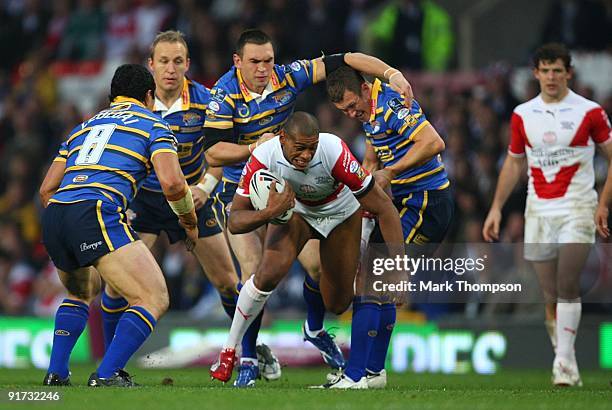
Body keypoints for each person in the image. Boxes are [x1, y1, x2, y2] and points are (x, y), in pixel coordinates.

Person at [203, 28, 413, 386]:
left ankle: (314, 328)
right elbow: (213, 152)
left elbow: (344, 60)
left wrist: (390, 73)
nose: (263, 68)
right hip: (248, 186)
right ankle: (246, 358)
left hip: (297, 190)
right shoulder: (223, 95)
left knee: (322, 275)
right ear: (238, 61)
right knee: (257, 269)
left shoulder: (288, 78)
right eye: (255, 62)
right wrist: (255, 148)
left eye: (268, 60)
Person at [97, 30, 280, 381]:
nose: (170, 69)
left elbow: (217, 153)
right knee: (116, 287)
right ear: (150, 65)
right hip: (145, 202)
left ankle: (249, 356)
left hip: (193, 197)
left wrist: (206, 187)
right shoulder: (134, 107)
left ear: (187, 65)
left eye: (177, 61)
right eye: (163, 61)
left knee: (229, 282)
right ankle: (110, 365)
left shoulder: (206, 101)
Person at [39, 64, 197, 387]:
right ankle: (108, 374)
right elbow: (173, 185)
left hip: (55, 214)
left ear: (113, 97)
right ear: (149, 96)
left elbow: (46, 189)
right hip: (95, 210)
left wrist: (71, 219)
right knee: (153, 297)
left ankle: (57, 373)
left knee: (81, 292)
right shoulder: (154, 124)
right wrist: (188, 219)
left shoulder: (82, 127)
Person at [482, 43, 612, 386]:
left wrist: (603, 203)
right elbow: (513, 162)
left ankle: (564, 364)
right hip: (537, 209)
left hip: (577, 206)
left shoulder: (590, 112)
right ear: (535, 73)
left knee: (568, 282)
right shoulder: (523, 114)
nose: (552, 77)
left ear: (568, 72)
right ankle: (565, 359)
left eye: (558, 70)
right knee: (549, 293)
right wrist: (495, 207)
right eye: (545, 70)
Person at [325, 66, 452, 388]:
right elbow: (371, 162)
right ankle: (373, 373)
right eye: (346, 111)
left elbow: (434, 142)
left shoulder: (392, 106)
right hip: (405, 204)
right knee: (376, 286)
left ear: (366, 89)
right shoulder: (370, 115)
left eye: (355, 105)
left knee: (371, 281)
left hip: (426, 203)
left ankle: (355, 376)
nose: (354, 113)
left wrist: (392, 172)